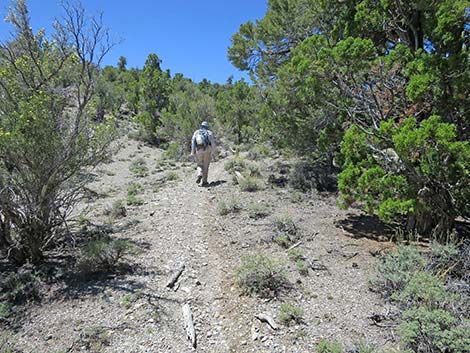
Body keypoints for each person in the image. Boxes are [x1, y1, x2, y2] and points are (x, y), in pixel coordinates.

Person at [191, 121, 216, 186]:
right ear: (207, 126)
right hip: (207, 150)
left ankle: (199, 174)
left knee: (199, 164)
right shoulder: (209, 132)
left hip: (198, 150)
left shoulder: (196, 132)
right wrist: (213, 152)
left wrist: (193, 152)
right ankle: (204, 181)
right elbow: (213, 143)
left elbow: (193, 142)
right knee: (206, 166)